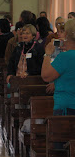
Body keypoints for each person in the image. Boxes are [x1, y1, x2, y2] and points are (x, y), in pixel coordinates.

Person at [41, 19, 75, 148]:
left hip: (66, 108)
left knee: (62, 148)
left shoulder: (65, 57)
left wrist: (48, 53)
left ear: (66, 34)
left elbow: (46, 75)